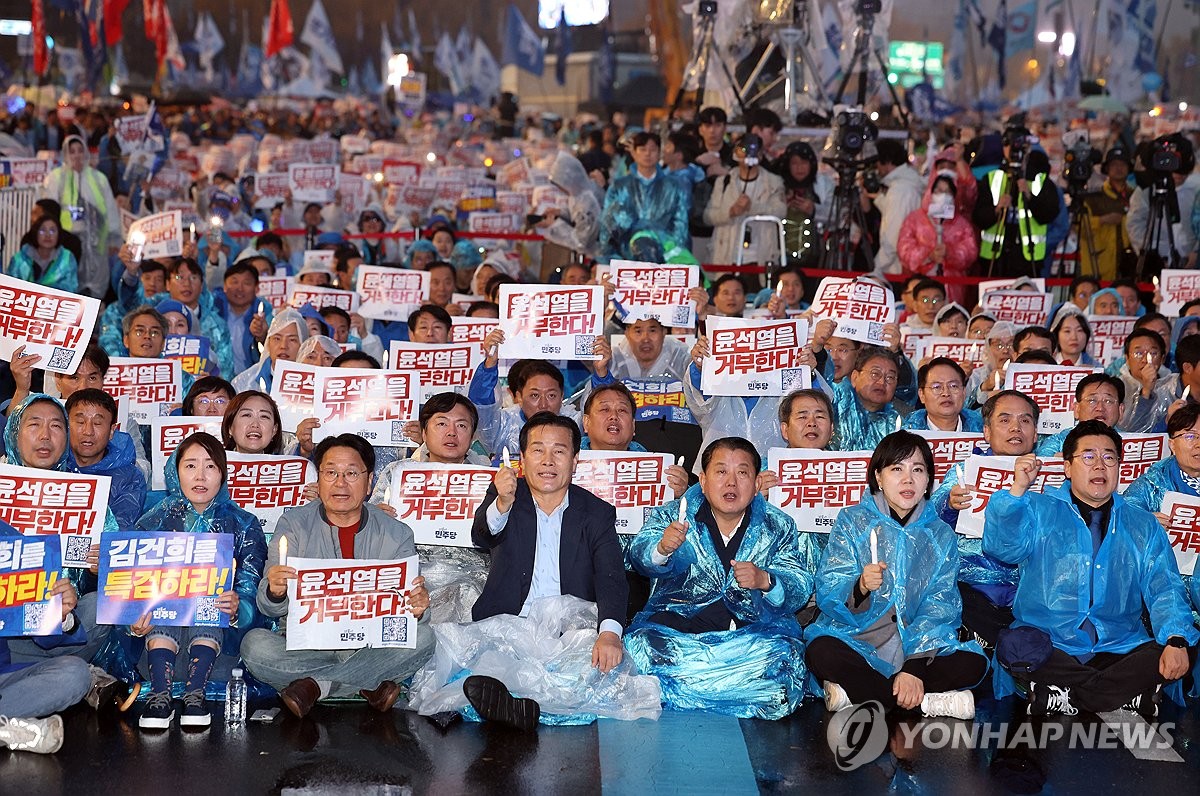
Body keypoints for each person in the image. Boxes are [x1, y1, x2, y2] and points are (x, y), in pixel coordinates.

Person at [983, 420, 1198, 717]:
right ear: (1067, 467)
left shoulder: (1143, 524)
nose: (1100, 465)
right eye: (1088, 456)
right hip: (1050, 644)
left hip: (1119, 645)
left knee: (1180, 645)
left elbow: (1165, 588)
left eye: (1109, 457)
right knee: (1014, 644)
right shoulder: (1037, 508)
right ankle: (1120, 694)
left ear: (1119, 467)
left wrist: (1175, 639)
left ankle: (1064, 694)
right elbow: (1001, 548)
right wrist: (1018, 489)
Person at [453, 413, 627, 727]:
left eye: (559, 451)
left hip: (568, 632)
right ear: (522, 459)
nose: (548, 461)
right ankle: (523, 704)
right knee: (477, 667)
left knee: (596, 672)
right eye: (537, 450)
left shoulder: (597, 513)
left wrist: (610, 635)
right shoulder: (506, 497)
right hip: (509, 623)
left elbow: (611, 577)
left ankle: (517, 705)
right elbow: (481, 535)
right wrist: (502, 504)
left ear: (575, 460)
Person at [241, 434, 433, 718]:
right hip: (307, 644)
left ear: (369, 483)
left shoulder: (396, 532)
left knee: (426, 636)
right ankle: (366, 684)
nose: (340, 482)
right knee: (254, 646)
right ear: (318, 480)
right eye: (330, 472)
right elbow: (268, 606)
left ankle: (319, 686)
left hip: (370, 642)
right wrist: (276, 591)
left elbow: (409, 619)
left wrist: (417, 608)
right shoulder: (293, 524)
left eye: (352, 473)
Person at [625, 437, 814, 719]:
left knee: (785, 656)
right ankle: (736, 690)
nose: (731, 483)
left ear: (757, 483)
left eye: (742, 472)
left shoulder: (778, 524)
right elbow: (639, 554)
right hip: (681, 631)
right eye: (721, 471)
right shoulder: (672, 515)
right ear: (702, 481)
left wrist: (767, 580)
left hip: (750, 635)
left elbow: (799, 581)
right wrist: (662, 549)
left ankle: (683, 688)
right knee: (640, 647)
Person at [805, 432, 987, 718]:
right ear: (878, 476)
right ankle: (924, 702)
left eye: (918, 470)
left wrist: (913, 668)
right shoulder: (853, 520)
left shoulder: (940, 535)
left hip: (919, 647)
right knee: (821, 650)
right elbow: (829, 587)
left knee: (973, 663)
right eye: (896, 469)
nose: (908, 479)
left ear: (929, 480)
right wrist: (860, 587)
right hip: (859, 639)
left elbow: (940, 606)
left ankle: (867, 695)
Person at [130, 433, 266, 729]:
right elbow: (130, 588)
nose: (200, 476)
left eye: (211, 466)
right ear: (175, 472)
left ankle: (195, 697)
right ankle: (160, 698)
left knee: (208, 602)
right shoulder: (152, 522)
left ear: (222, 473)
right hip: (158, 655)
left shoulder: (244, 524)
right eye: (190, 466)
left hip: (218, 655)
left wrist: (236, 608)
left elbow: (251, 585)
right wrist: (134, 620)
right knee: (166, 602)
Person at [3, 394, 116, 665]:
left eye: (56, 426)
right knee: (70, 674)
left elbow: (112, 580)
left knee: (103, 603)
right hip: (5, 635)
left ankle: (41, 678)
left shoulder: (86, 496)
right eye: (34, 425)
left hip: (67, 631)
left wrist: (98, 571)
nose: (45, 436)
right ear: (14, 434)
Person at [0, 520, 91, 754]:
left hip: (4, 678)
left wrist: (58, 614)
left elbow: (44, 639)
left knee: (75, 673)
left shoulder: (10, 541)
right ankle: (7, 729)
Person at [468, 333, 583, 458]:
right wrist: (490, 363)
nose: (543, 404)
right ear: (519, 397)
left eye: (551, 396)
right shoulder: (503, 425)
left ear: (562, 397)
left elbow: (599, 410)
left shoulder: (575, 424)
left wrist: (601, 373)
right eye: (534, 395)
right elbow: (482, 406)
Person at [40, 134, 121, 298]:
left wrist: (113, 238)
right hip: (66, 241)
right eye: (72, 151)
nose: (76, 155)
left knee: (94, 285)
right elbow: (49, 209)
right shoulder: (56, 178)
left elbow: (110, 209)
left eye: (79, 151)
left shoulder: (99, 179)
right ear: (65, 154)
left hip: (96, 241)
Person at [973, 126, 1060, 278]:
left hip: (1028, 259)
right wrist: (996, 209)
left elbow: (1049, 214)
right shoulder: (991, 178)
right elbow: (978, 217)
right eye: (1008, 144)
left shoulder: (1040, 180)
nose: (1013, 150)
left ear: (1028, 147)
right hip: (996, 259)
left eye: (1019, 145)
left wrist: (1029, 196)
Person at [600, 131, 691, 262]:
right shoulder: (620, 186)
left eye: (653, 150)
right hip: (626, 257)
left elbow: (681, 224)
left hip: (664, 256)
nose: (647, 154)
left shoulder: (674, 186)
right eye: (642, 149)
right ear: (634, 153)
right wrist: (609, 256)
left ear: (660, 153)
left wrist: (673, 254)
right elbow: (608, 225)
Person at [66, 389, 146, 531]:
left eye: (97, 423)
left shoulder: (130, 478)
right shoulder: (51, 465)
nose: (88, 431)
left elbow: (119, 531)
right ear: (65, 426)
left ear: (111, 432)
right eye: (80, 422)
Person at [704, 133, 786, 269]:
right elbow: (708, 216)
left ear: (760, 154)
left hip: (759, 257)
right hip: (727, 255)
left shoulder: (773, 182)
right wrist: (731, 212)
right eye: (742, 150)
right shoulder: (724, 181)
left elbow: (780, 211)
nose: (747, 155)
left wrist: (752, 207)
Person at [897, 168, 979, 302]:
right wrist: (928, 254)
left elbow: (970, 251)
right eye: (939, 191)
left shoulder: (961, 223)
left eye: (948, 192)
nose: (943, 195)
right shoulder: (915, 219)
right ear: (930, 191)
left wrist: (950, 252)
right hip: (920, 283)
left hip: (952, 288)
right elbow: (904, 248)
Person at [830, 346, 907, 451]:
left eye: (890, 377)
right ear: (855, 377)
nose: (882, 382)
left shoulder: (904, 417)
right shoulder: (833, 404)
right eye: (875, 374)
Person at [869, 139, 928, 275]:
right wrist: (879, 198)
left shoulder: (901, 191)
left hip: (897, 267)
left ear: (887, 162)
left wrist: (877, 269)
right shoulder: (905, 185)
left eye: (877, 162)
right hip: (901, 264)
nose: (876, 167)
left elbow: (894, 233)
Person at [1079, 147, 1134, 280]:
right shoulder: (1093, 198)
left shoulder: (1135, 196)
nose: (1118, 168)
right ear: (1107, 169)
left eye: (1122, 164)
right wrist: (1102, 220)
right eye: (1114, 165)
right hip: (1098, 267)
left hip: (1129, 266)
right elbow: (1079, 227)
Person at [231, 309, 308, 393]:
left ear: (303, 345)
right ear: (268, 343)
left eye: (292, 340)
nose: (283, 346)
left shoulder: (311, 382)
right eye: (277, 338)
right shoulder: (244, 383)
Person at [903, 358, 983, 432]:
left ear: (964, 392)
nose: (946, 393)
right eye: (937, 387)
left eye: (953, 386)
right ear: (922, 395)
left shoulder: (983, 430)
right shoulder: (909, 434)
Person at [5, 214, 80, 293]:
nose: (47, 235)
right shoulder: (19, 260)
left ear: (59, 234)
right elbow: (10, 288)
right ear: (35, 233)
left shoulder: (67, 259)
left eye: (52, 231)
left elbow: (71, 289)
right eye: (42, 230)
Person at [221, 391, 288, 456]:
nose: (255, 424)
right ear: (229, 428)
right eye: (247, 415)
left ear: (274, 430)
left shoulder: (288, 466)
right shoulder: (215, 464)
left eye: (264, 416)